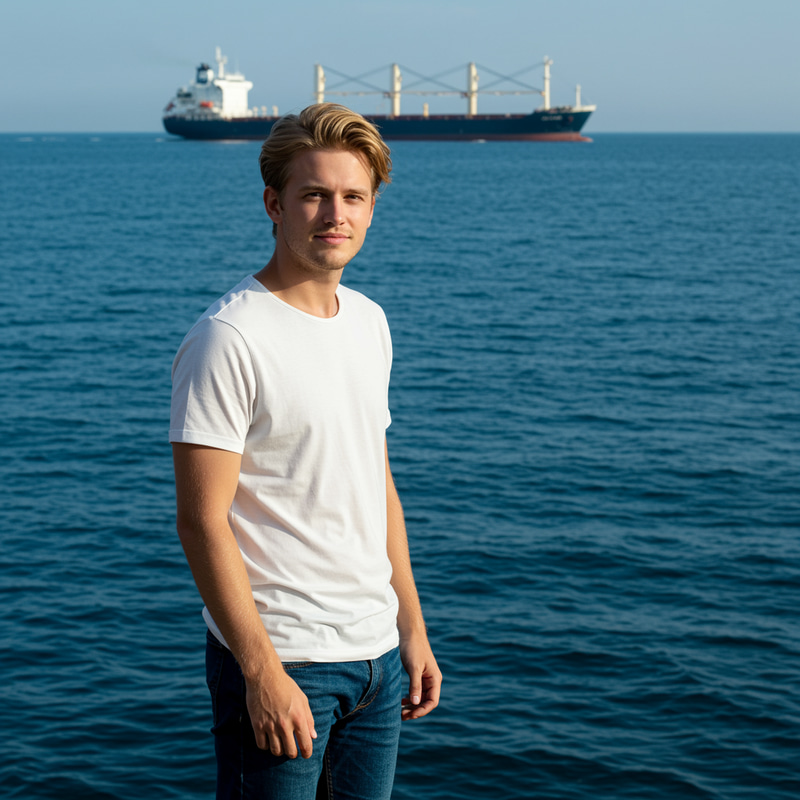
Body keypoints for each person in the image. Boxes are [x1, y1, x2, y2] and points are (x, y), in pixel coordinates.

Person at [169, 103, 441, 800]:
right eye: (315, 194)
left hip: (377, 656)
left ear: (372, 209)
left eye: (353, 197)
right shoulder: (229, 338)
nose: (334, 214)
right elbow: (201, 520)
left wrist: (410, 625)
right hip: (285, 658)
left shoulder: (369, 322)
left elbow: (375, 482)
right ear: (274, 204)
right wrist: (260, 671)